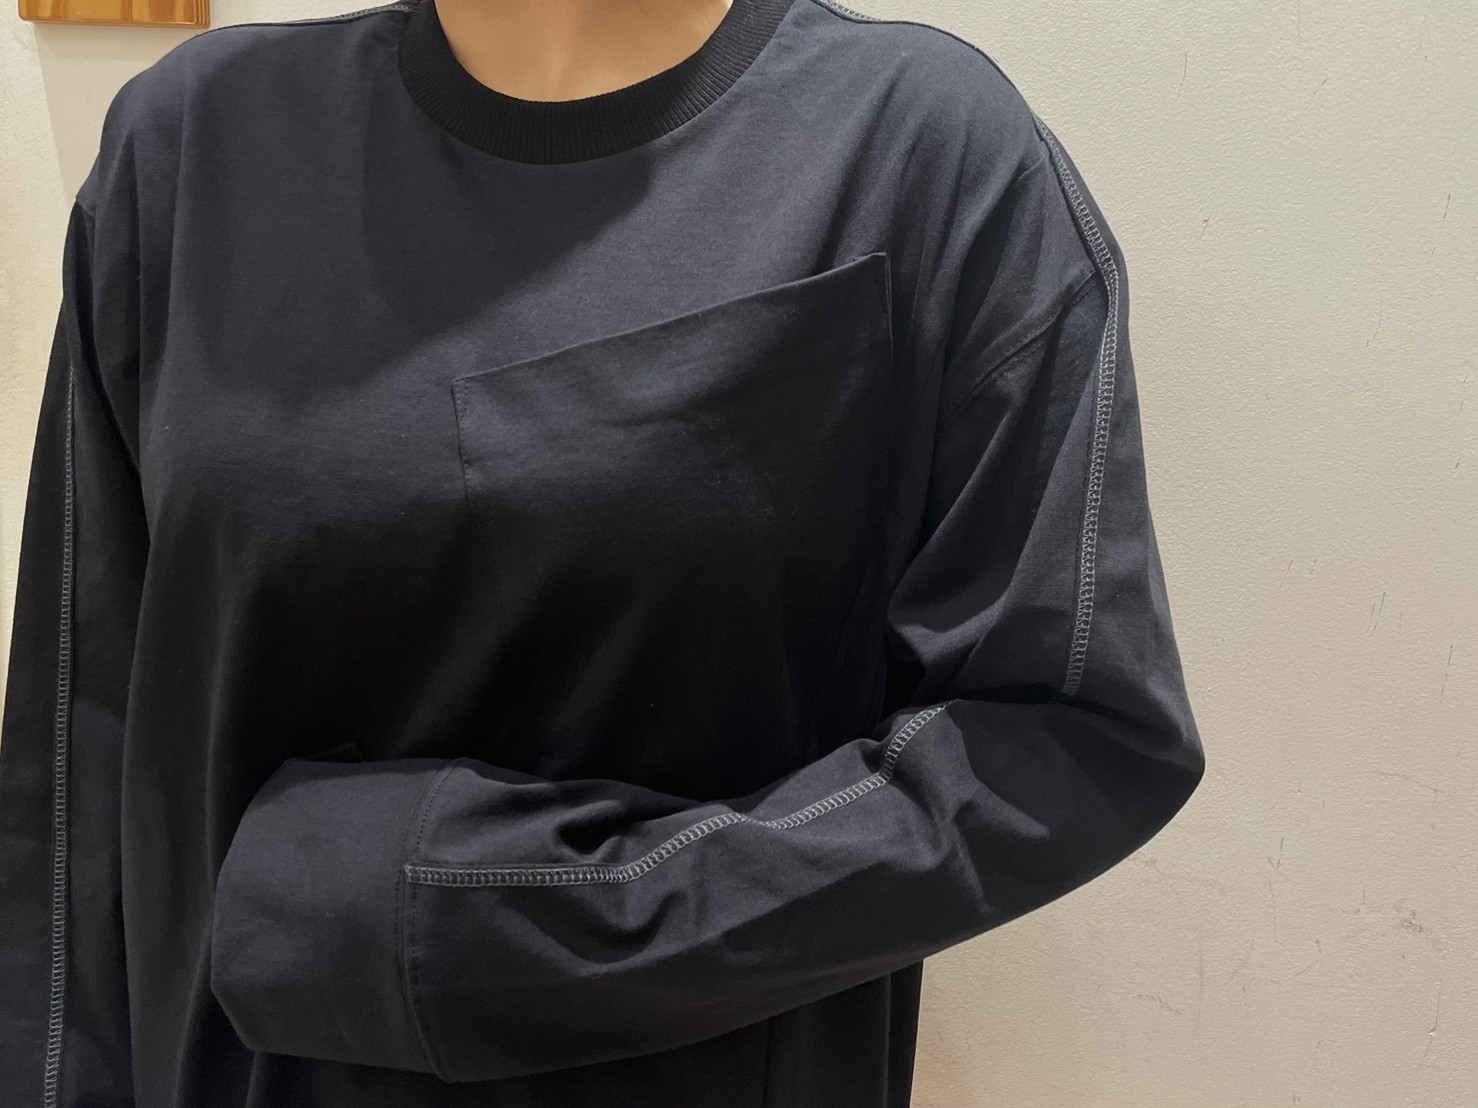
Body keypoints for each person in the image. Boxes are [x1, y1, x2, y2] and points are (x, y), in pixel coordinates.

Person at [0, 0, 1207, 1105]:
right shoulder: (194, 143)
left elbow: (1066, 727)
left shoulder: (914, 148)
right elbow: (84, 737)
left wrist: (503, 918)